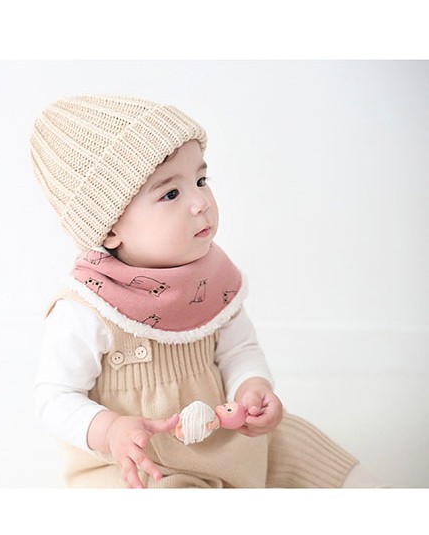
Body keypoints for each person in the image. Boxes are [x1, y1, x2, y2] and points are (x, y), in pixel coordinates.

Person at [30, 94, 382, 489]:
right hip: (141, 463)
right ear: (110, 228)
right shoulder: (89, 307)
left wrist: (251, 387)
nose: (201, 202)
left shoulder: (213, 280)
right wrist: (109, 429)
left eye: (200, 181)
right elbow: (54, 397)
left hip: (226, 438)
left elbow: (237, 349)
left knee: (304, 448)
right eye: (170, 194)